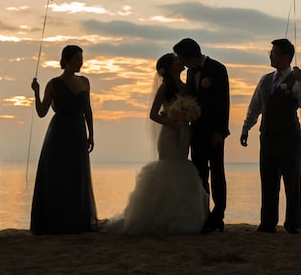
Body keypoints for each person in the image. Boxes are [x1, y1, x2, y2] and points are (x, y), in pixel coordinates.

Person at [103, 53, 208, 235]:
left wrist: (189, 115)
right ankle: (159, 217)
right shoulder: (165, 87)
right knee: (168, 168)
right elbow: (153, 114)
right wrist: (171, 123)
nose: (180, 61)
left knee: (182, 168)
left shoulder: (187, 86)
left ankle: (179, 215)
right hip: (169, 134)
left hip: (184, 132)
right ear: (169, 68)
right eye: (176, 60)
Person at [241, 38, 301, 233]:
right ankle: (268, 222)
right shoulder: (265, 80)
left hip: (289, 137)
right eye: (270, 53)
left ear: (286, 57)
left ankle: (293, 223)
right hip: (267, 136)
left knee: (292, 181)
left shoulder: (295, 79)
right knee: (268, 180)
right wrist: (246, 127)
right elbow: (255, 106)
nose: (271, 56)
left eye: (274, 53)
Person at [30, 44, 98, 234]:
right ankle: (57, 220)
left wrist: (91, 135)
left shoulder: (85, 82)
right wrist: (36, 92)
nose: (80, 63)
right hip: (59, 133)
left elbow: (88, 110)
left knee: (77, 174)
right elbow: (42, 112)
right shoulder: (53, 84)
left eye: (81, 59)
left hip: (78, 131)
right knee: (58, 175)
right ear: (66, 61)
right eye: (77, 59)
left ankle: (77, 219)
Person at [175, 38, 231, 233]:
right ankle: (204, 214)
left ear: (191, 57)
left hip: (214, 131)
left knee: (217, 173)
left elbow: (224, 102)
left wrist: (220, 131)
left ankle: (218, 215)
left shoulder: (217, 69)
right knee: (200, 173)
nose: (182, 63)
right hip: (197, 131)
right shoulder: (190, 72)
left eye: (182, 59)